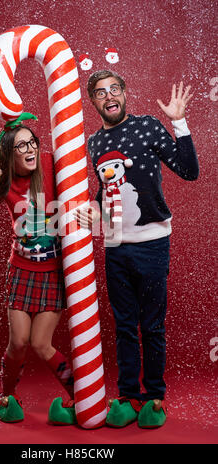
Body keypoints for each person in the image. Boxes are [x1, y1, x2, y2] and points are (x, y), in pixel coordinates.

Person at [75, 71, 199, 428]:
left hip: (152, 245)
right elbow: (102, 191)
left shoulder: (147, 126)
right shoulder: (94, 143)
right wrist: (93, 208)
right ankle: (129, 395)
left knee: (152, 326)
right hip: (115, 247)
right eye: (100, 92)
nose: (108, 96)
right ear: (93, 101)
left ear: (125, 94)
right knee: (125, 326)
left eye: (114, 89)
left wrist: (179, 122)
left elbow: (189, 171)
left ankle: (155, 397)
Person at [0, 113, 76, 425]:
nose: (30, 149)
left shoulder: (50, 163)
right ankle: (8, 396)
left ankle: (80, 393)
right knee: (18, 343)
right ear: (8, 155)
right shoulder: (4, 182)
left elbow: (77, 176)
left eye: (32, 142)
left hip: (52, 272)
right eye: (21, 147)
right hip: (20, 270)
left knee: (40, 344)